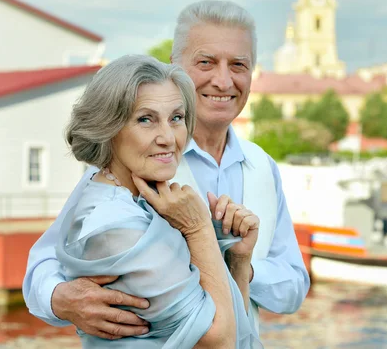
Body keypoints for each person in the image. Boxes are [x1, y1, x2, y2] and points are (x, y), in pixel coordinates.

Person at [24, 0, 310, 339]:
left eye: (238, 65)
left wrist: (240, 268)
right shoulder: (127, 163)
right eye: (206, 62)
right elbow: (44, 262)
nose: (223, 80)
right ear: (174, 65)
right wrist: (59, 299)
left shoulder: (262, 165)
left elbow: (294, 284)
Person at [54, 54, 261, 348]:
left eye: (176, 118)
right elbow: (220, 341)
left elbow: (238, 330)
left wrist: (238, 260)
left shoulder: (145, 201)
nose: (168, 137)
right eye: (145, 119)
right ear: (108, 128)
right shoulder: (116, 226)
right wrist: (199, 228)